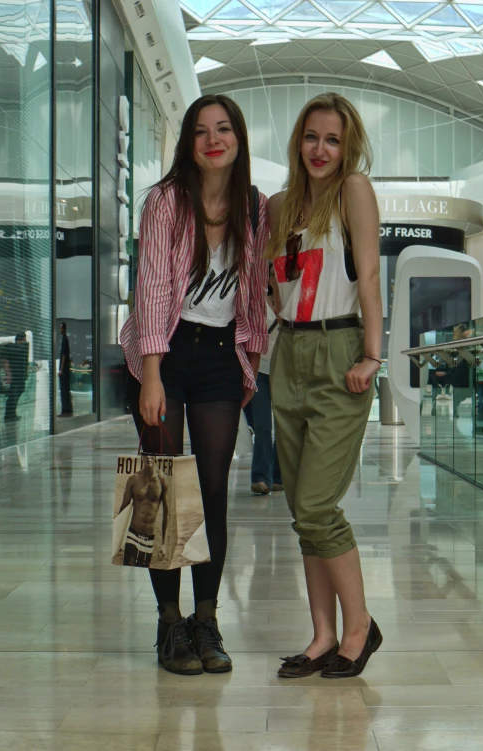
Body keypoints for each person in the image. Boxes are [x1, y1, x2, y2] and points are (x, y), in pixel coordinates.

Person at [120, 94, 269, 676]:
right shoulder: (164, 201)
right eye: (202, 130)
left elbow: (253, 292)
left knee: (210, 494)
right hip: (166, 350)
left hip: (221, 358)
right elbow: (154, 287)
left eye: (224, 128)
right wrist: (152, 373)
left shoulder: (252, 205)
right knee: (161, 487)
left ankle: (206, 620)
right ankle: (168, 625)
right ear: (188, 141)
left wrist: (249, 363)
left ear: (238, 138)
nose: (214, 139)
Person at [267, 92, 383, 679]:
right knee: (299, 508)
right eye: (312, 137)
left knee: (316, 504)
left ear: (348, 146)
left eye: (332, 139)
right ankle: (322, 635)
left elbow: (368, 275)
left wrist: (373, 354)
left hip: (340, 352)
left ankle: (360, 629)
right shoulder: (280, 206)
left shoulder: (353, 191)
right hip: (287, 351)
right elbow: (272, 288)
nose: (321, 149)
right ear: (298, 141)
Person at [249, 301, 283, 495]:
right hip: (259, 370)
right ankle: (261, 477)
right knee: (262, 426)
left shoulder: (290, 298)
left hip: (285, 370)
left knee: (282, 426)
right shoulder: (258, 300)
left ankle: (279, 477)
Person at [119, 455, 169, 567]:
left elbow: (167, 512)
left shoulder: (162, 479)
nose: (149, 457)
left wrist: (164, 544)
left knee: (144, 566)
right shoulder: (134, 479)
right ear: (141, 457)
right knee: (129, 565)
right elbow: (123, 508)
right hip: (133, 533)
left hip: (149, 537)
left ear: (156, 457)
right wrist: (119, 539)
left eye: (151, 455)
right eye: (145, 454)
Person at [4, 333, 29, 422]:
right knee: (13, 395)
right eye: (23, 340)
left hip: (20, 376)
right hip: (15, 376)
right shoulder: (14, 349)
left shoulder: (21, 349)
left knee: (17, 392)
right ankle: (9, 415)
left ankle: (11, 413)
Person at [58, 322, 73, 416]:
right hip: (65, 368)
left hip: (64, 369)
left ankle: (65, 409)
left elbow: (64, 355)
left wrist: (61, 369)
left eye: (60, 328)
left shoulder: (64, 339)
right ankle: (67, 408)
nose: (60, 330)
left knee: (64, 389)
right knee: (65, 389)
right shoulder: (65, 339)